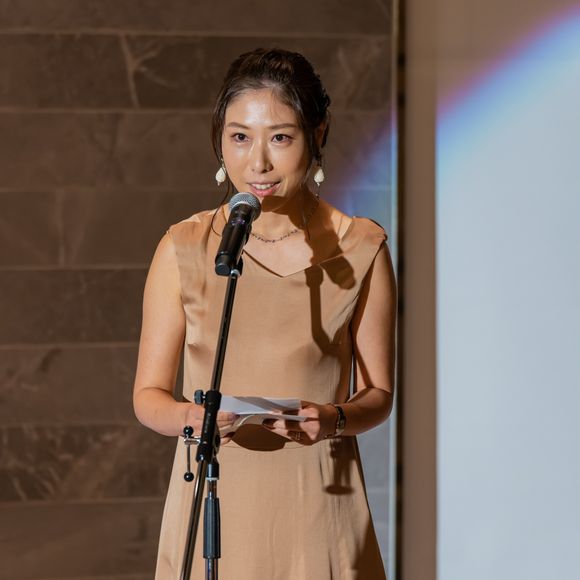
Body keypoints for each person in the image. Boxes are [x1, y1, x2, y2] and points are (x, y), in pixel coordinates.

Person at [133, 47, 397, 579]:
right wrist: (192, 420)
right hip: (215, 502)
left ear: (318, 134)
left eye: (279, 137)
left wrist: (333, 419)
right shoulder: (183, 247)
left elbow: (378, 395)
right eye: (239, 137)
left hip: (320, 504)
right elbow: (148, 396)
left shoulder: (361, 248)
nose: (257, 163)